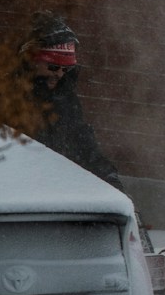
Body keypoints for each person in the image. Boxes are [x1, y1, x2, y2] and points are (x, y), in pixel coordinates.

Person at [20, 11, 125, 190]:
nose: (59, 74)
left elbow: (83, 145)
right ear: (32, 61)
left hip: (60, 189)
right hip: (26, 190)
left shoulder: (66, 101)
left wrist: (109, 179)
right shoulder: (8, 98)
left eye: (65, 69)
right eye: (53, 66)